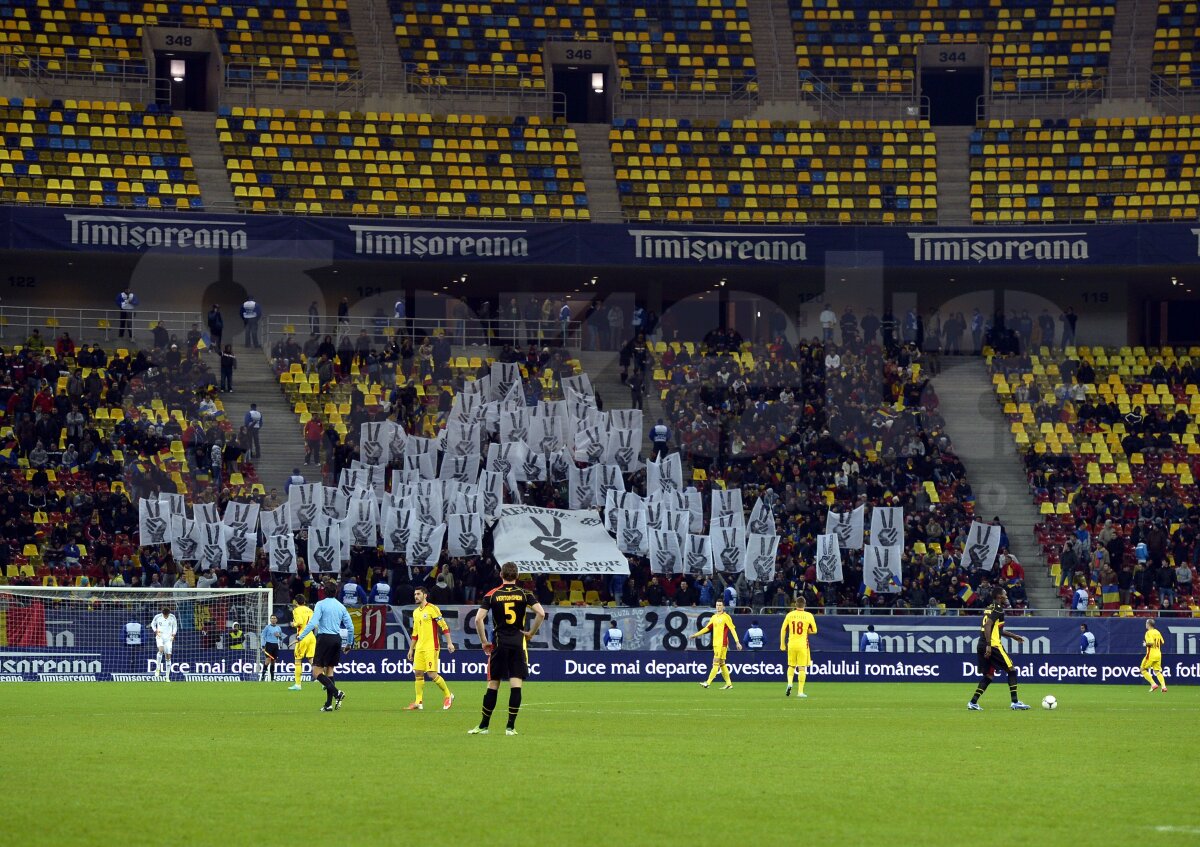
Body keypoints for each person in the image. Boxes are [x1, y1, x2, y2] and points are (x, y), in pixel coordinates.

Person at [468, 562, 547, 736]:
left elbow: (478, 619)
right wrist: (530, 633)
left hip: (499, 642)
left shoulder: (492, 594)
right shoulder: (525, 594)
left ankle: (483, 726)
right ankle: (510, 727)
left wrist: (484, 641)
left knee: (493, 684)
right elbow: (541, 613)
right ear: (517, 576)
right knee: (516, 685)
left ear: (501, 575)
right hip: (518, 643)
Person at [295, 579, 354, 712]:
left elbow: (313, 623)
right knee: (330, 672)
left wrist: (301, 636)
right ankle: (328, 704)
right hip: (336, 639)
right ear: (336, 592)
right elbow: (350, 627)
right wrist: (349, 643)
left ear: (324, 592)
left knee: (316, 672)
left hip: (324, 638)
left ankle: (337, 693)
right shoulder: (341, 606)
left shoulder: (320, 604)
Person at [968, 588, 1030, 711]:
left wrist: (1013, 636)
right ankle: (1015, 702)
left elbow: (998, 630)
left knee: (989, 675)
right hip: (993, 645)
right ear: (999, 596)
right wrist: (989, 645)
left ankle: (973, 702)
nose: (1006, 596)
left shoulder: (989, 608)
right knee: (1011, 669)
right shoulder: (998, 608)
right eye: (1005, 594)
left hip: (981, 644)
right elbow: (987, 625)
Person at [405, 586, 456, 711]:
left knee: (432, 674)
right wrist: (411, 649)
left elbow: (444, 626)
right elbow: (415, 633)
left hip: (431, 646)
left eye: (418, 594)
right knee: (418, 673)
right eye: (415, 594)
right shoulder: (416, 612)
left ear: (425, 595)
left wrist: (449, 643)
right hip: (419, 647)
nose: (416, 596)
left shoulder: (433, 609)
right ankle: (418, 702)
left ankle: (448, 695)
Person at [689, 599, 742, 690]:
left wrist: (737, 642)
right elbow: (707, 628)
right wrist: (695, 635)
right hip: (716, 643)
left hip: (722, 643)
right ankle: (729, 684)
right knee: (721, 663)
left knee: (715, 662)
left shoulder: (726, 617)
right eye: (717, 605)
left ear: (723, 606)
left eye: (720, 605)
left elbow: (732, 629)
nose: (718, 607)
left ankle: (708, 682)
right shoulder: (714, 617)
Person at [780, 597, 817, 697]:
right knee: (802, 668)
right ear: (804, 605)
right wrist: (806, 631)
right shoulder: (809, 616)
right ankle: (800, 692)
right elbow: (815, 630)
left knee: (791, 665)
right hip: (802, 645)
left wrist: (782, 644)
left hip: (791, 644)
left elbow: (783, 629)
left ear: (795, 604)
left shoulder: (790, 615)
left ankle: (789, 683)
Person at [289, 595, 315, 691]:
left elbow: (299, 622)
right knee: (312, 660)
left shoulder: (296, 610)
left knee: (298, 660)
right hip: (311, 636)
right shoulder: (310, 610)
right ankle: (324, 682)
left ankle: (298, 684)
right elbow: (315, 624)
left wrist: (293, 624)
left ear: (296, 602)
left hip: (302, 636)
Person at [150, 605, 177, 680]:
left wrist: (173, 634)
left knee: (168, 657)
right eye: (164, 615)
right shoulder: (157, 616)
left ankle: (167, 677)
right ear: (162, 613)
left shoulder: (172, 617)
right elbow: (152, 624)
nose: (166, 616)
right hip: (160, 636)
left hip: (168, 638)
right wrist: (155, 631)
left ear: (168, 613)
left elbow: (175, 626)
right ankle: (158, 669)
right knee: (161, 650)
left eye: (167, 615)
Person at [1141, 618, 1167, 692]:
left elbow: (1151, 643)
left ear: (1148, 624)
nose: (1145, 625)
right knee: (1157, 671)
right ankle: (1164, 687)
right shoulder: (1157, 632)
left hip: (1151, 654)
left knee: (1142, 669)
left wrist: (1145, 644)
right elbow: (1162, 642)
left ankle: (1153, 684)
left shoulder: (1148, 633)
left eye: (1146, 623)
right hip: (1158, 654)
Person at [260, 614, 284, 681]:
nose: (273, 619)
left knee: (273, 662)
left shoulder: (279, 628)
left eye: (274, 618)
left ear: (276, 620)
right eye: (272, 618)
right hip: (268, 645)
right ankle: (262, 676)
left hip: (275, 645)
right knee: (267, 661)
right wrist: (262, 646)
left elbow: (281, 638)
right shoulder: (267, 627)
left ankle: (272, 678)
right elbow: (263, 637)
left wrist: (279, 636)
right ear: (270, 620)